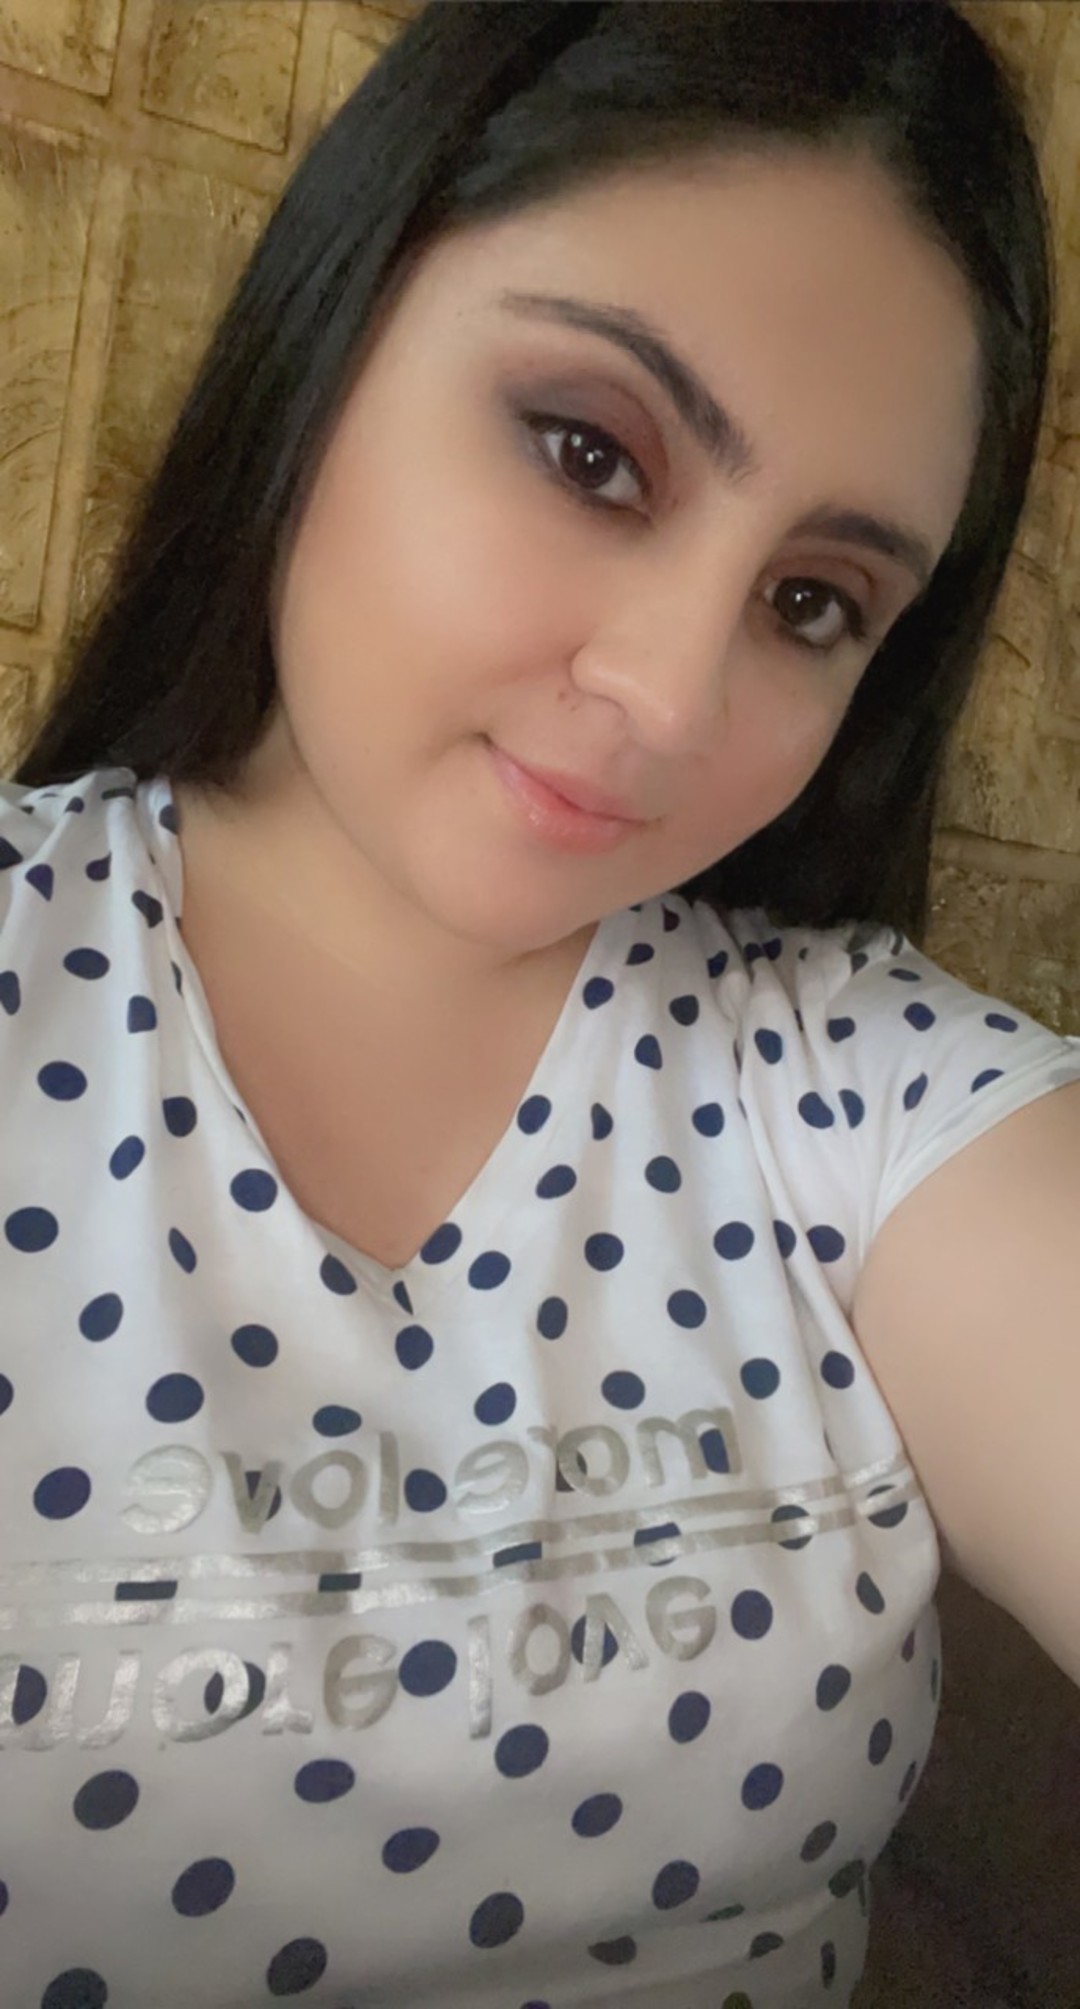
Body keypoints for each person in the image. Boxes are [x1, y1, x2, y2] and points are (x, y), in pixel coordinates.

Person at [1, 3, 1078, 2005]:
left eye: (814, 601)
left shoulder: (847, 1090)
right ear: (336, 335)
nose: (672, 695)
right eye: (593, 453)